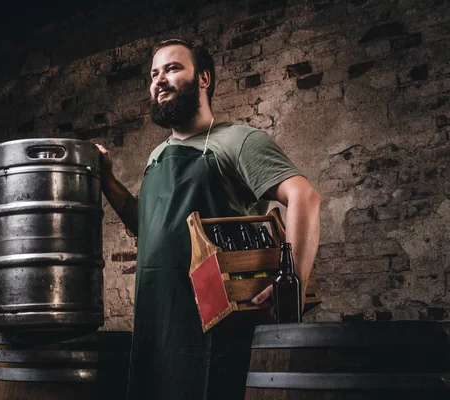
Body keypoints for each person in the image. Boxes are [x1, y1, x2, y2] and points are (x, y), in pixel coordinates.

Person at [96, 38, 321, 400]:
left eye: (172, 69)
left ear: (203, 79)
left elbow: (304, 197)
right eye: (154, 74)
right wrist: (107, 181)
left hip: (218, 326)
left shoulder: (239, 141)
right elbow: (149, 228)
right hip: (160, 324)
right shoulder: (156, 156)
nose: (159, 80)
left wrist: (289, 279)